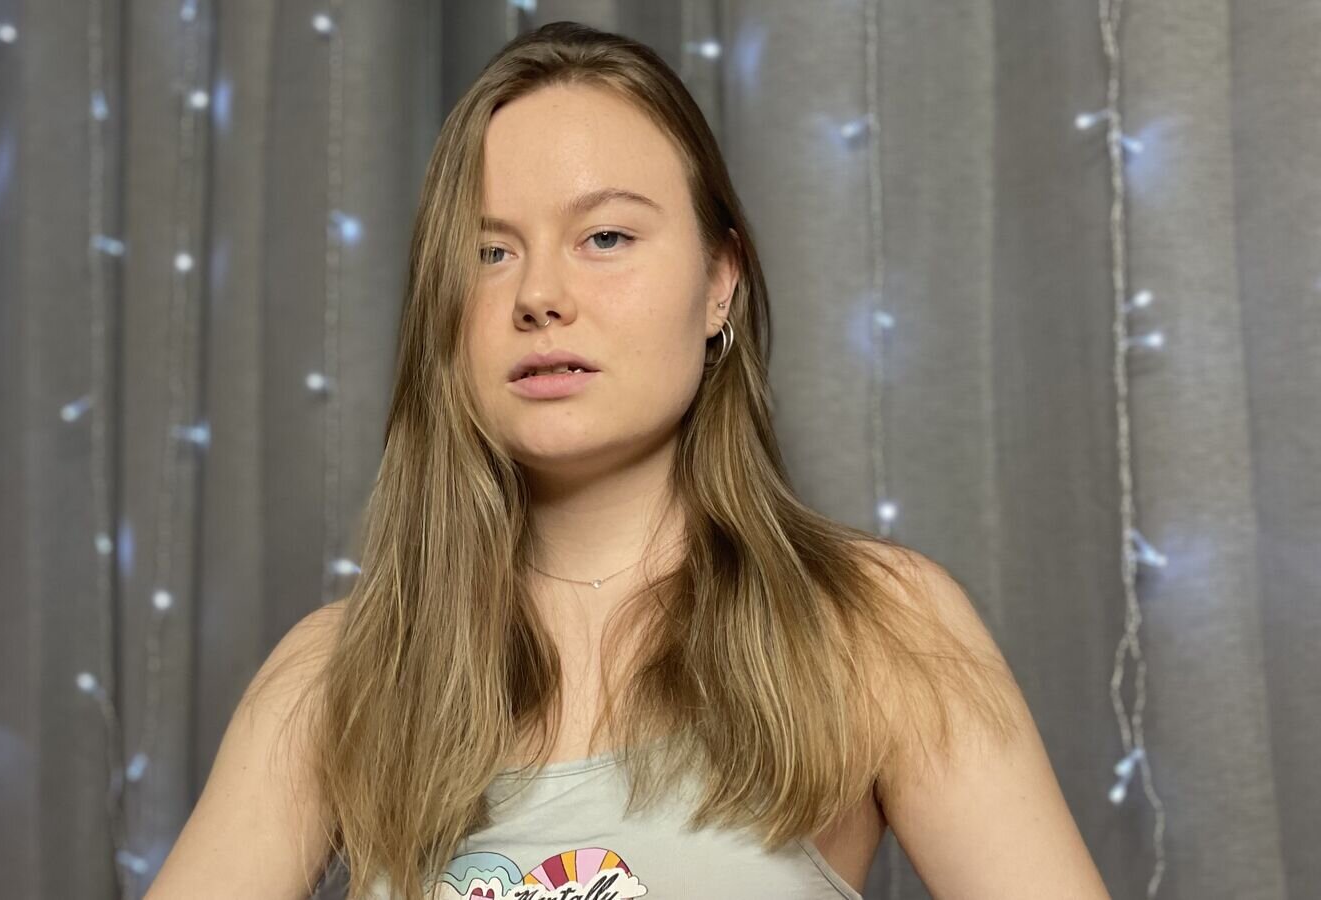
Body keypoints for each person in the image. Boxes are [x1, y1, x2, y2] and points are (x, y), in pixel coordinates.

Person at [146, 21, 1111, 900]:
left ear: (719, 282)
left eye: (605, 237)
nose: (540, 295)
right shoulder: (338, 673)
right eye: (489, 253)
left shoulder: (876, 627)